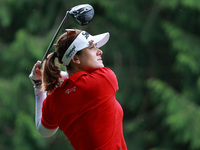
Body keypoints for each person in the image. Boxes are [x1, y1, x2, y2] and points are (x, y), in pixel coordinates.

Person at [29, 29, 127, 150]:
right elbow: (78, 81)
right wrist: (54, 75)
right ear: (75, 59)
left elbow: (44, 131)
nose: (100, 51)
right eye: (91, 48)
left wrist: (39, 86)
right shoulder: (105, 79)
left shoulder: (54, 100)